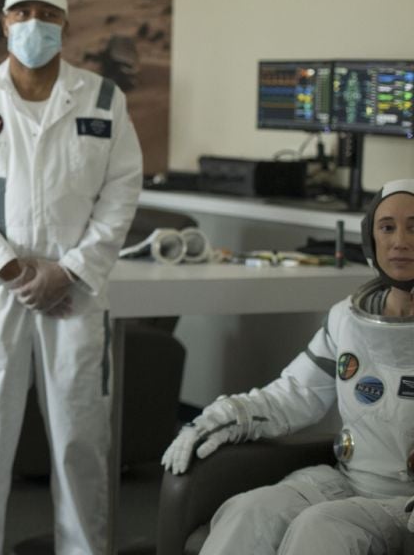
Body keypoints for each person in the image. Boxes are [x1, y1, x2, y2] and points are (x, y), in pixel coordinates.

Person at [0, 0, 143, 555]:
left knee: (82, 438)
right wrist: (13, 270)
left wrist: (69, 270)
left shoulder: (103, 100)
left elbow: (122, 192)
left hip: (73, 296)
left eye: (48, 14)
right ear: (4, 22)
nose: (35, 23)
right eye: (23, 13)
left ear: (65, 24)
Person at [162, 178, 414, 554]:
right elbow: (294, 395)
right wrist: (225, 417)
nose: (400, 242)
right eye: (387, 227)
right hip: (347, 481)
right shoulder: (346, 320)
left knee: (321, 528)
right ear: (370, 239)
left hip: (403, 505)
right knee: (250, 512)